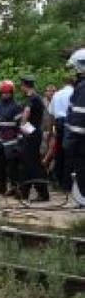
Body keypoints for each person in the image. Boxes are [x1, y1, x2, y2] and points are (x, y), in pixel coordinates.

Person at [18, 75, 49, 201]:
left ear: (24, 85)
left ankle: (42, 192)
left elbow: (26, 113)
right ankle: (24, 191)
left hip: (31, 134)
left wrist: (22, 126)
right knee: (28, 163)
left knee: (33, 164)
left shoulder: (32, 98)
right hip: (34, 134)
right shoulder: (36, 98)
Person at [0, 80, 22, 196]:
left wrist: (19, 141)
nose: (5, 95)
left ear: (11, 93)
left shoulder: (16, 106)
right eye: (3, 93)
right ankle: (1, 186)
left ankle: (14, 187)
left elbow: (20, 125)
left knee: (12, 164)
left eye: (7, 93)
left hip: (12, 140)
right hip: (0, 139)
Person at [63, 49, 85, 197]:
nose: (73, 72)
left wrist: (69, 143)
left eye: (74, 68)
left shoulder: (82, 87)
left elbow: (78, 120)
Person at [47, 77, 75, 189]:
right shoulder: (75, 92)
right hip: (70, 122)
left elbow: (51, 114)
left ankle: (59, 181)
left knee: (59, 152)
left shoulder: (57, 94)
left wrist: (50, 132)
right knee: (71, 153)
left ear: (64, 83)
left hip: (58, 124)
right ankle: (69, 183)